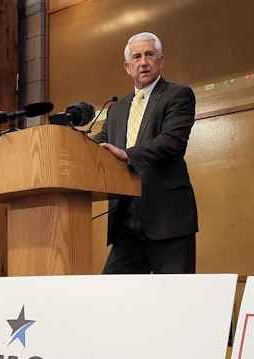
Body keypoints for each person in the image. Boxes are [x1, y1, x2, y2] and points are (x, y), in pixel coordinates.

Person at [93, 32, 199, 274]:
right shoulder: (117, 108)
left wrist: (127, 155)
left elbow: (172, 141)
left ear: (161, 60)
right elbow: (100, 144)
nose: (143, 62)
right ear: (127, 66)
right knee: (112, 295)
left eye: (149, 55)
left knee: (176, 299)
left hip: (168, 218)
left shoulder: (178, 95)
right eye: (137, 56)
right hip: (126, 219)